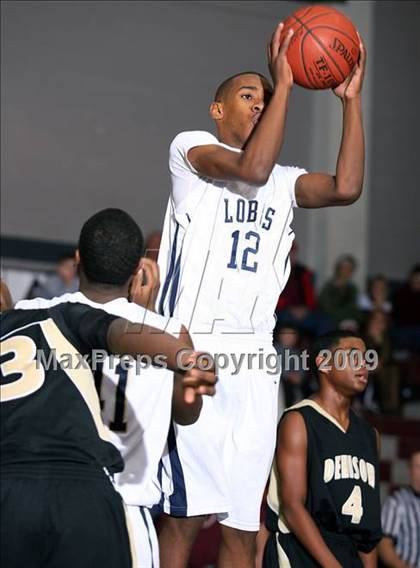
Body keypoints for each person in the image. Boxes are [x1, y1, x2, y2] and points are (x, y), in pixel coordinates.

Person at [157, 20, 367, 568]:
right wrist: (285, 82)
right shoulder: (192, 149)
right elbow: (250, 166)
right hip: (193, 347)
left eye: (267, 97)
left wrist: (349, 102)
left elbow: (346, 188)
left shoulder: (285, 181)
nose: (260, 102)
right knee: (183, 516)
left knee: (245, 522)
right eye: (248, 95)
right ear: (217, 109)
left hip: (256, 356)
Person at [15, 208, 217, 568]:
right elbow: (187, 414)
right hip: (123, 507)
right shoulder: (168, 334)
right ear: (138, 270)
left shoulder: (33, 311)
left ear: (78, 258)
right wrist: (151, 313)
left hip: (38, 497)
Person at [263, 330, 382, 567]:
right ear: (325, 363)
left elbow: (367, 525)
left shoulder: (370, 435)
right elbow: (293, 506)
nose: (364, 363)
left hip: (346, 553)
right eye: (352, 355)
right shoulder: (298, 421)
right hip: (299, 552)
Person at [378, 450, 420, 568]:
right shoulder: (396, 502)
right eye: (418, 466)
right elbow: (384, 545)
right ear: (410, 470)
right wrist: (401, 566)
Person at [318, 254, 360, 330]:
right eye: (345, 268)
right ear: (339, 269)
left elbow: (353, 307)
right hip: (331, 319)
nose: (347, 271)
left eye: (350, 269)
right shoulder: (329, 286)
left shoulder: (353, 288)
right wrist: (341, 318)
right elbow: (326, 307)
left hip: (348, 320)